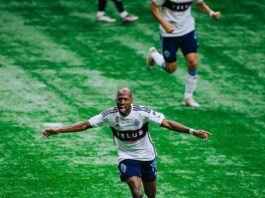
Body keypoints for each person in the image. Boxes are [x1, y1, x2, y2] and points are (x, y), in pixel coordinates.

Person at [42, 88, 211, 198]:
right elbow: (85, 124)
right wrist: (58, 130)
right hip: (126, 156)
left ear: (131, 100)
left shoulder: (142, 113)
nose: (121, 102)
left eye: (125, 99)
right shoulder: (109, 115)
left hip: (147, 156)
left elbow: (167, 123)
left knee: (151, 195)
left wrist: (192, 131)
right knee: (135, 189)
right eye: (119, 99)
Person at [146, 0, 221, 107]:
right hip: (169, 34)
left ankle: (188, 97)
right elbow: (153, 7)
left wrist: (211, 13)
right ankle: (154, 55)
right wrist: (164, 24)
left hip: (188, 31)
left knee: (193, 62)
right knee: (171, 68)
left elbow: (200, 3)